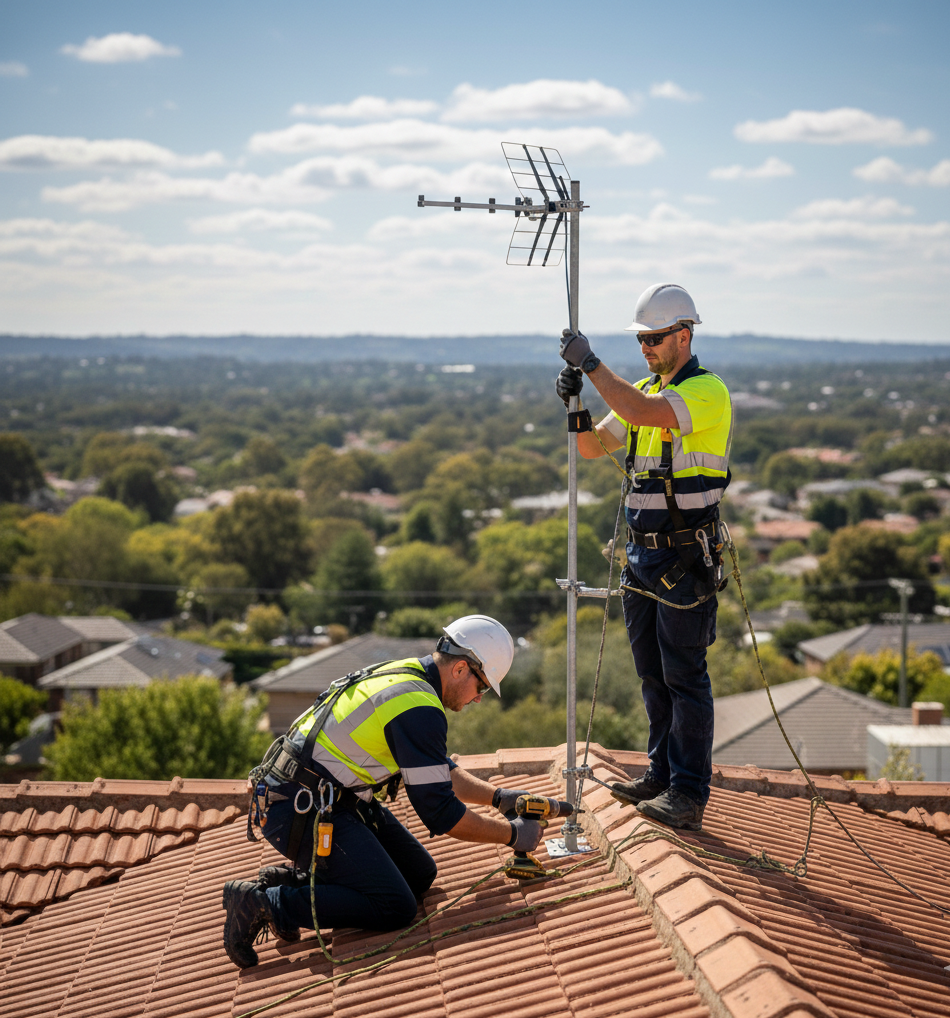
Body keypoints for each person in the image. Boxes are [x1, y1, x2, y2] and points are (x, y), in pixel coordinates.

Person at [222, 614, 543, 968]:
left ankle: (296, 880)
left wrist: (499, 798)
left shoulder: (408, 676)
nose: (479, 698)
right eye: (481, 686)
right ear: (460, 669)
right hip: (298, 809)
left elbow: (437, 770)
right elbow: (441, 812)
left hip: (328, 798)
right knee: (394, 906)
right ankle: (266, 903)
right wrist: (514, 835)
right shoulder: (418, 706)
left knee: (420, 875)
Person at [556, 283, 732, 832]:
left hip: (684, 560)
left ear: (684, 335)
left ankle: (688, 792)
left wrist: (591, 365)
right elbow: (592, 446)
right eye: (642, 340)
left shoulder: (705, 392)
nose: (647, 348)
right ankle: (660, 774)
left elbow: (641, 411)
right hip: (642, 559)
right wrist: (575, 403)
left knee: (684, 676)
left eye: (655, 338)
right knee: (653, 676)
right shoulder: (640, 389)